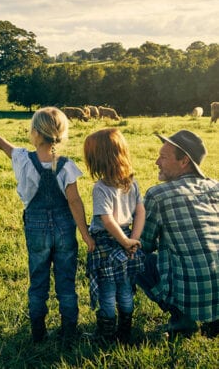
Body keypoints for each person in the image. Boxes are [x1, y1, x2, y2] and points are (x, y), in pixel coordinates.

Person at [0, 106, 95, 344]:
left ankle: (38, 333)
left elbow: (4, 144)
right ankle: (69, 331)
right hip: (64, 228)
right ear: (60, 133)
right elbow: (74, 201)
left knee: (38, 279)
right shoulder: (66, 165)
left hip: (36, 228)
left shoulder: (22, 159)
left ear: (35, 133)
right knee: (66, 282)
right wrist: (86, 235)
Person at [136, 130, 219, 337]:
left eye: (163, 157)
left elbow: (142, 244)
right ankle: (214, 320)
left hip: (192, 295)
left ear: (184, 162)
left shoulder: (158, 195)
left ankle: (182, 319)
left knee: (134, 258)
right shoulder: (216, 187)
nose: (157, 162)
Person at [83, 128, 145, 344]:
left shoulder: (100, 188)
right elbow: (140, 212)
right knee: (126, 288)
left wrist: (126, 241)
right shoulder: (132, 182)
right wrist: (132, 240)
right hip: (128, 239)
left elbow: (107, 221)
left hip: (107, 244)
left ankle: (107, 335)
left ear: (99, 160)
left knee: (107, 291)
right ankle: (125, 331)